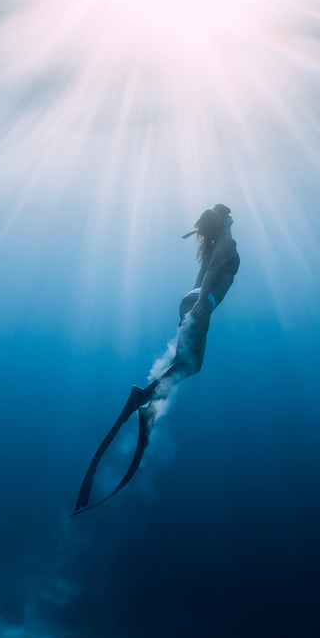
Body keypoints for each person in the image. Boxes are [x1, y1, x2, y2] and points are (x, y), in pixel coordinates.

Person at [72, 204, 240, 515]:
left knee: (184, 364)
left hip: (193, 301)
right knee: (192, 365)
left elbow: (204, 273)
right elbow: (213, 273)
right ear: (222, 223)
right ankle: (142, 400)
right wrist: (201, 306)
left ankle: (148, 408)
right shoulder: (226, 244)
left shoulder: (218, 244)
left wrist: (191, 309)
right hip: (202, 303)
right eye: (226, 217)